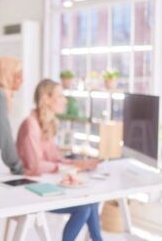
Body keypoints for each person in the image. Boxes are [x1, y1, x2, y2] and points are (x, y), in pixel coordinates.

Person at [16, 79, 103, 241]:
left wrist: (79, 164)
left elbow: (54, 159)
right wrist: (66, 167)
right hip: (30, 187)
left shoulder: (47, 122)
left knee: (92, 201)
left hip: (44, 182)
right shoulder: (31, 125)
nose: (65, 100)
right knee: (84, 208)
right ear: (46, 98)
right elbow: (36, 165)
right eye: (60, 96)